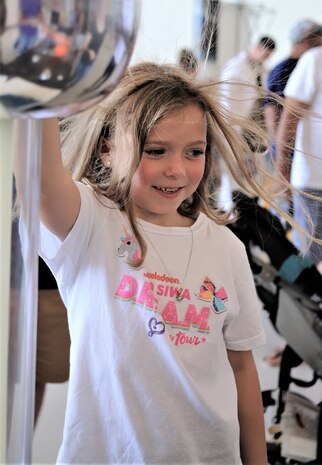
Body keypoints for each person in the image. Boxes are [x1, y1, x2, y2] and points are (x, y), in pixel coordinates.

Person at [15, 61, 297, 465]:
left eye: (194, 152)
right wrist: (38, 71)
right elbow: (38, 178)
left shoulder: (226, 249)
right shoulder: (90, 225)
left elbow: (241, 368)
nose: (177, 169)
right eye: (155, 150)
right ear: (107, 149)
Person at [275, 43, 322, 275]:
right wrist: (281, 167)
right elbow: (289, 116)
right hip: (314, 183)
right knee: (312, 264)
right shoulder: (315, 60)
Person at [218, 36, 276, 211]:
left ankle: (249, 209)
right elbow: (226, 99)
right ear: (257, 47)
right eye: (265, 53)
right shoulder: (235, 67)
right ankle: (231, 211)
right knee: (234, 175)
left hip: (255, 131)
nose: (265, 57)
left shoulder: (262, 70)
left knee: (253, 175)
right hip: (236, 127)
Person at [264, 19, 322, 158]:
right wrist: (278, 146)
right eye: (317, 40)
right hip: (286, 148)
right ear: (302, 40)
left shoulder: (309, 63)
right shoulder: (283, 69)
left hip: (302, 145)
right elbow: (271, 107)